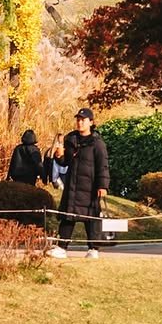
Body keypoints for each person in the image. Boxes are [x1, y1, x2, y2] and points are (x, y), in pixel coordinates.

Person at [47, 108, 110, 260]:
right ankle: (61, 247)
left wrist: (103, 186)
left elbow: (103, 165)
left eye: (83, 120)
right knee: (68, 216)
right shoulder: (71, 140)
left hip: (90, 186)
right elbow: (65, 162)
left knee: (91, 218)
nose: (80, 122)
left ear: (91, 122)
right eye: (78, 119)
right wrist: (59, 156)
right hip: (72, 185)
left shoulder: (97, 143)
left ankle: (93, 249)